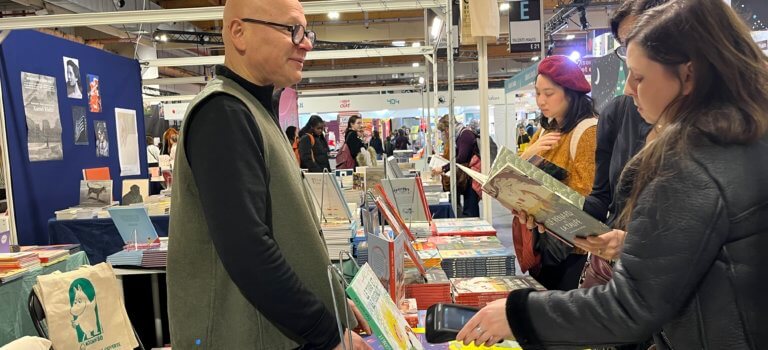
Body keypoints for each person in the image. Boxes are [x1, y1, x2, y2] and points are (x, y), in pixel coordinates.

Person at [457, 1, 768, 348]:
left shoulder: (693, 161)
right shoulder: (743, 139)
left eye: (639, 77)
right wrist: (631, 245)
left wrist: (517, 315)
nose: (628, 89)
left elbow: (630, 306)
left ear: (688, 75)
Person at [166, 0, 371, 348]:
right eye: (292, 30)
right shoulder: (224, 114)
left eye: (307, 33)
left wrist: (332, 302)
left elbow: (285, 234)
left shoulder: (252, 110)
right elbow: (249, 251)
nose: (305, 43)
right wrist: (327, 332)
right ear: (239, 32)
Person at [513, 55, 599, 291]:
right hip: (544, 246)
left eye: (548, 93)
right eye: (538, 93)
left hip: (573, 254)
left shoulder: (587, 131)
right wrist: (528, 155)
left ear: (571, 92)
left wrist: (541, 205)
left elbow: (588, 199)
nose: (541, 101)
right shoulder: (543, 131)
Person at [432, 115, 481, 217]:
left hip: (473, 176)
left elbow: (461, 158)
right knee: (469, 207)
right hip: (469, 175)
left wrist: (443, 168)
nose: (445, 134)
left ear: (447, 128)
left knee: (471, 209)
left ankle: (474, 231)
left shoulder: (465, 135)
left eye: (444, 131)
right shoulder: (460, 135)